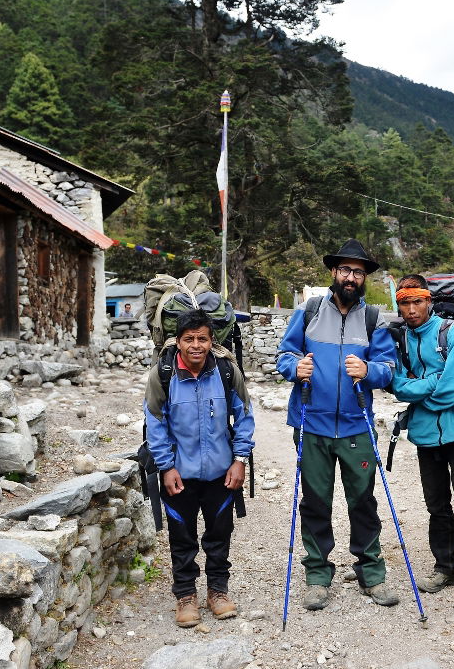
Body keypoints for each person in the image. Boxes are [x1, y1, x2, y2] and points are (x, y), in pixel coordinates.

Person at [276, 238, 399, 611]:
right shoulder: (310, 310)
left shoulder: (373, 318)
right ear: (333, 272)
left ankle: (371, 574)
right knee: (315, 501)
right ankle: (317, 574)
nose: (350, 277)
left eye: (357, 272)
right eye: (344, 270)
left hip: (356, 425)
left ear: (364, 278)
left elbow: (389, 369)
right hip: (311, 422)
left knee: (362, 501)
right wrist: (294, 368)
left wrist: (370, 370)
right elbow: (284, 353)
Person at [144, 309, 255, 627]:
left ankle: (218, 591)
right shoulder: (162, 375)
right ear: (177, 342)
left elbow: (244, 416)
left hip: (222, 473)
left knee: (220, 535)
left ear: (211, 341)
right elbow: (155, 423)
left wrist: (240, 460)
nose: (196, 345)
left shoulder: (225, 371)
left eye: (202, 339)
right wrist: (165, 467)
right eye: (189, 339)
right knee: (182, 538)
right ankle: (186, 596)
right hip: (179, 475)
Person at [389, 274, 454, 612]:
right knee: (436, 506)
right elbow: (397, 385)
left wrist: (423, 391)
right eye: (405, 303)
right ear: (398, 306)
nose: (412, 309)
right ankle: (446, 566)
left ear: (429, 301)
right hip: (425, 436)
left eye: (417, 301)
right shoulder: (400, 339)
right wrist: (429, 383)